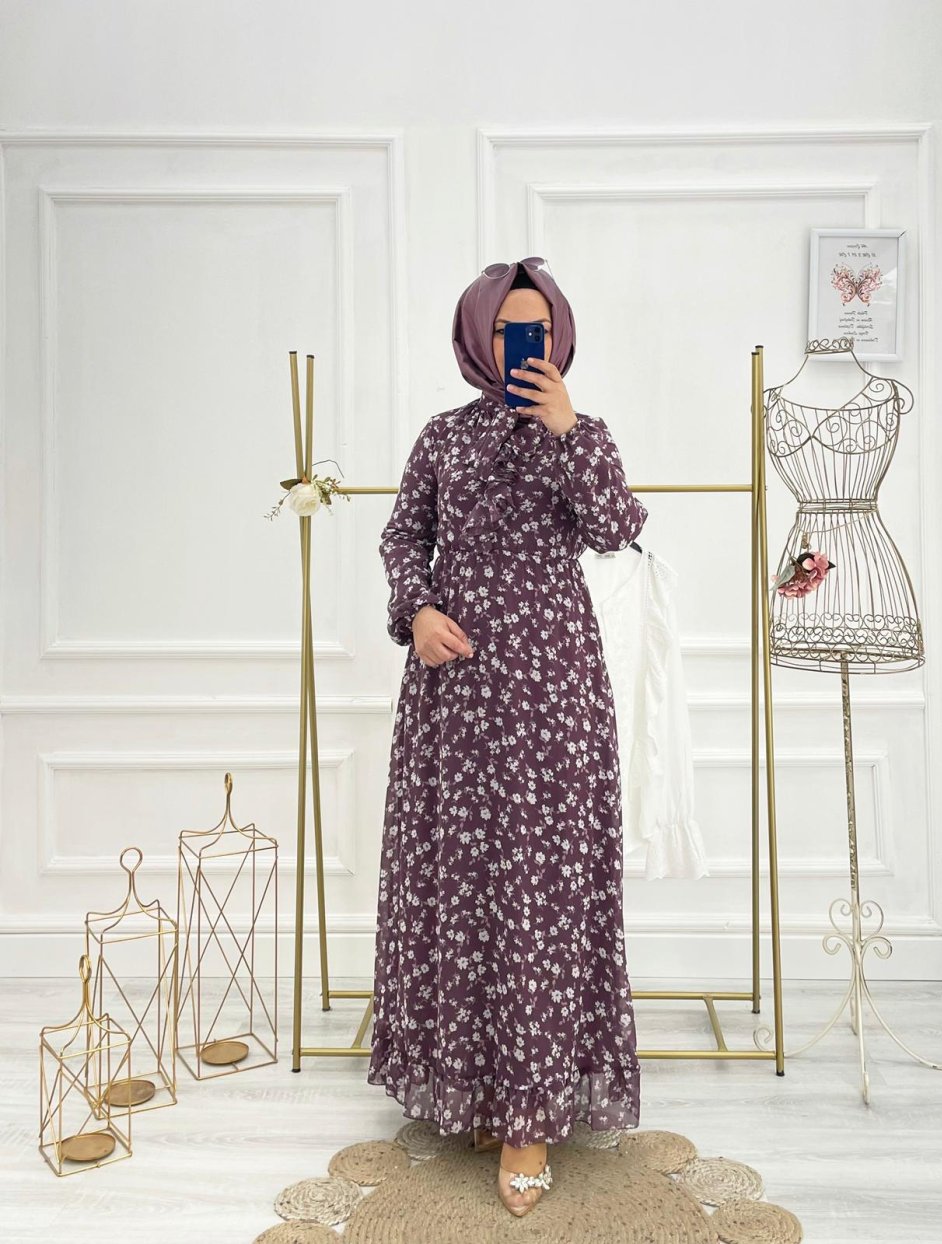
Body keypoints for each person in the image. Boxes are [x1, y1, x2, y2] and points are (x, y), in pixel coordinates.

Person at [367, 256, 648, 1218]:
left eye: (536, 328)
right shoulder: (442, 437)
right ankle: (480, 1083)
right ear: (476, 336)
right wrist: (415, 612)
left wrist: (568, 430)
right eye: (504, 328)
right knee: (463, 882)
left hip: (553, 694)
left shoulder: (583, 434)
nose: (521, 343)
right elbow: (402, 537)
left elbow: (616, 528)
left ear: (558, 337)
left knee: (542, 889)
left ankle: (530, 1116)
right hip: (454, 695)